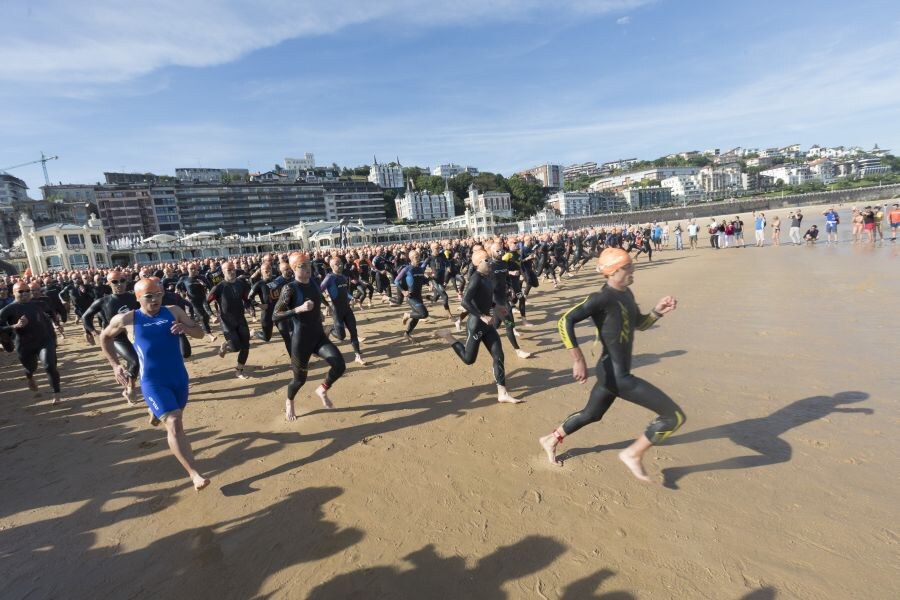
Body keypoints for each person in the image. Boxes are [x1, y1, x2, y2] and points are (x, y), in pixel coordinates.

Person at [538, 248, 685, 482]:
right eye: (627, 267)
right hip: (616, 376)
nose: (632, 269)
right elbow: (565, 320)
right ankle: (632, 454)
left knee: (591, 414)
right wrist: (578, 359)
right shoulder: (601, 298)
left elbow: (639, 324)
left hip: (612, 373)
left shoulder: (626, 294)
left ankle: (551, 439)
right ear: (613, 271)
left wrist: (658, 312)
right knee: (674, 416)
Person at [100, 277, 210, 491]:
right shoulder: (127, 319)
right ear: (138, 298)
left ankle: (154, 410)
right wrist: (115, 365)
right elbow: (104, 338)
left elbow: (200, 333)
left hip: (178, 377)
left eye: (158, 294)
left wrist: (185, 329)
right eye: (149, 296)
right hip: (153, 380)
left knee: (175, 414)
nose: (155, 299)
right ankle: (194, 474)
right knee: (174, 421)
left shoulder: (174, 311)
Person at [434, 249, 521, 404]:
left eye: (489, 259)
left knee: (499, 355)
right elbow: (465, 302)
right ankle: (448, 335)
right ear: (478, 263)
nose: (490, 262)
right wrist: (482, 315)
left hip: (488, 324)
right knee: (469, 359)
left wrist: (496, 306)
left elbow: (486, 297)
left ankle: (502, 393)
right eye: (487, 260)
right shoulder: (475, 279)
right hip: (476, 325)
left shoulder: (487, 277)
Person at [273, 252, 346, 421]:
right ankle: (290, 401)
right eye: (302, 266)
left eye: (308, 265)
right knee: (299, 381)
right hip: (300, 341)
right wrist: (298, 309)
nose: (308, 269)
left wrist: (322, 308)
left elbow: (317, 295)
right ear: (293, 268)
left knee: (339, 365)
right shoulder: (289, 288)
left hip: (318, 336)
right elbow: (275, 315)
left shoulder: (313, 282)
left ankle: (322, 388)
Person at [81, 269, 140, 403]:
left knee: (141, 362)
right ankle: (130, 388)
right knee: (135, 361)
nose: (119, 284)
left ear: (127, 281)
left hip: (136, 335)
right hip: (118, 338)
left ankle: (138, 384)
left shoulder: (134, 297)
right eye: (115, 282)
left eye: (122, 281)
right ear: (108, 283)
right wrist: (94, 332)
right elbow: (86, 317)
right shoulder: (103, 301)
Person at [0, 281, 62, 404]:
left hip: (44, 340)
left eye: (27, 291)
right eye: (21, 291)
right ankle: (29, 376)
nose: (25, 294)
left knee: (50, 365)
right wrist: (14, 326)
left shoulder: (39, 303)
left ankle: (56, 393)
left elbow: (50, 312)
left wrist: (56, 324)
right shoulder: (7, 309)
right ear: (13, 293)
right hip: (24, 344)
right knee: (31, 368)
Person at [208, 261, 252, 379]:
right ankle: (226, 347)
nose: (232, 272)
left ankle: (239, 370)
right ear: (223, 272)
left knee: (246, 346)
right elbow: (205, 302)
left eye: (233, 269)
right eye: (229, 270)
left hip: (241, 319)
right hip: (227, 322)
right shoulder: (219, 287)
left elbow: (246, 298)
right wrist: (211, 315)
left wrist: (250, 308)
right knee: (236, 347)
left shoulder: (240, 283)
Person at [320, 257, 366, 365]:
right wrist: (326, 305)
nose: (340, 265)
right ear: (331, 266)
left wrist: (352, 297)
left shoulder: (343, 277)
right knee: (341, 336)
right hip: (337, 310)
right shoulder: (329, 278)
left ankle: (358, 356)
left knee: (353, 331)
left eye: (340, 263)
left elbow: (344, 292)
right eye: (337, 264)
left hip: (347, 309)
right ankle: (328, 328)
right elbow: (318, 291)